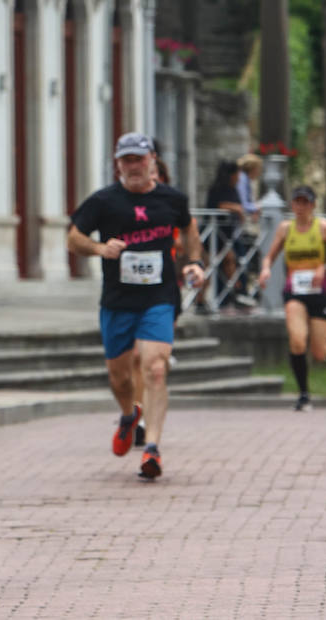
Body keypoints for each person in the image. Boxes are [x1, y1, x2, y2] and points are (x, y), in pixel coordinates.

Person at [67, 133, 205, 481]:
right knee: (119, 376)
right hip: (118, 300)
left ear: (152, 160)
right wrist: (100, 249)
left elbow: (190, 231)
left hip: (158, 298)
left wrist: (193, 262)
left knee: (155, 368)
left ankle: (152, 448)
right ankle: (129, 414)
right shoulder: (104, 201)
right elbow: (74, 238)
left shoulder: (172, 200)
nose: (133, 166)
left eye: (139, 159)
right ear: (118, 164)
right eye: (126, 160)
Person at [258, 185, 326, 412]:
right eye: (297, 202)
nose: (301, 207)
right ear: (292, 205)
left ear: (313, 205)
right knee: (297, 340)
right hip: (295, 292)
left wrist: (324, 268)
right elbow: (269, 256)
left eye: (305, 203)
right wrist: (266, 270)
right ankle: (304, 394)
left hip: (320, 292)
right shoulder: (285, 229)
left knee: (319, 354)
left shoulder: (324, 228)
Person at [205, 160, 250, 311]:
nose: (239, 177)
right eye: (237, 173)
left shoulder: (234, 189)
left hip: (231, 234)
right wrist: (236, 208)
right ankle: (232, 293)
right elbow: (216, 205)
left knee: (239, 260)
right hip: (217, 234)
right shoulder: (217, 189)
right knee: (226, 260)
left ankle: (238, 292)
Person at [236, 153, 262, 221]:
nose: (259, 172)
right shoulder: (242, 179)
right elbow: (243, 204)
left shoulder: (245, 179)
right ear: (252, 168)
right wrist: (257, 207)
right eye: (258, 168)